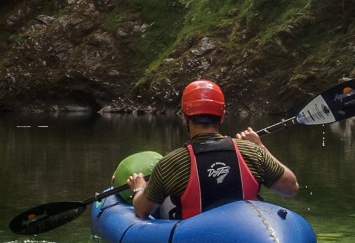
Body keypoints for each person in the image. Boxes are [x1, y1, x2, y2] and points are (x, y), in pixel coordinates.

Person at [128, 79, 298, 219]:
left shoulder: (171, 163)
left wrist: (139, 188)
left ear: (185, 117)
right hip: (248, 235)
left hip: (196, 242)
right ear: (222, 117)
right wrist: (261, 147)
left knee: (165, 203)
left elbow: (142, 210)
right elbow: (291, 188)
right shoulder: (252, 151)